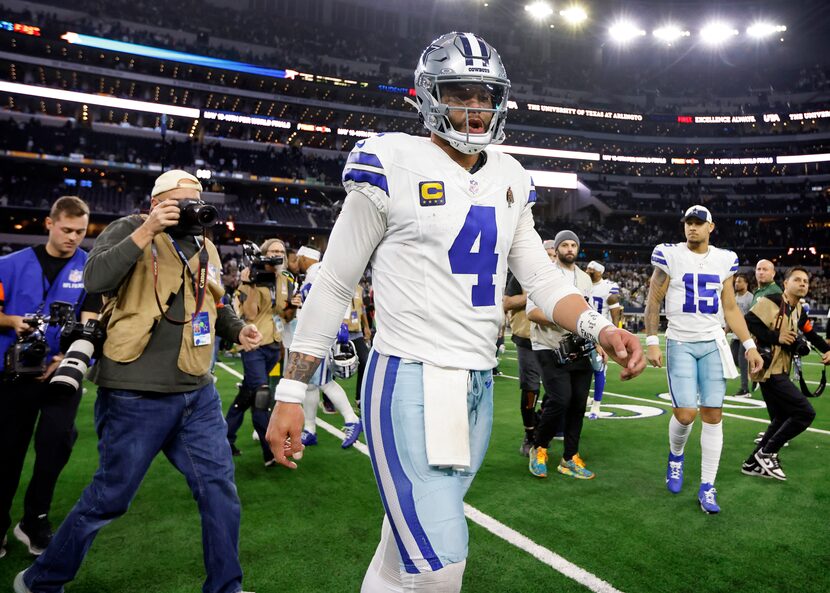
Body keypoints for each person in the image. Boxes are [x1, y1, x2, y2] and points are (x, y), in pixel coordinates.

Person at [265, 32, 645, 593]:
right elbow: (334, 283)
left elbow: (539, 276)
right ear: (426, 96)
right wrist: (291, 394)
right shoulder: (389, 160)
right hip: (410, 378)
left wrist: (600, 325)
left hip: (476, 381)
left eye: (484, 95)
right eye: (459, 93)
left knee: (401, 558)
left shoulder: (511, 175)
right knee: (441, 565)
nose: (474, 108)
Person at [13, 170, 262, 593]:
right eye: (180, 202)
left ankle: (225, 587)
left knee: (220, 492)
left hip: (196, 390)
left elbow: (213, 303)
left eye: (195, 201)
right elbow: (95, 281)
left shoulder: (205, 245)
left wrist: (237, 329)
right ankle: (39, 581)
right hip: (134, 390)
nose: (190, 209)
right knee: (110, 498)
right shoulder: (129, 228)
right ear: (158, 202)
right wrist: (148, 229)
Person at [644, 205, 764, 514]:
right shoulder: (669, 254)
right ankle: (676, 455)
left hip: (712, 342)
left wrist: (749, 344)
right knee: (685, 414)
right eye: (689, 223)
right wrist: (652, 341)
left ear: (711, 227)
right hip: (681, 341)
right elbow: (653, 300)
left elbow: (731, 308)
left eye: (699, 223)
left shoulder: (725, 259)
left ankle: (707, 486)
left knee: (712, 415)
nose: (692, 228)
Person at [0, 196, 100, 558]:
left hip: (62, 373)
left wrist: (67, 357)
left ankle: (34, 520)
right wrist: (12, 322)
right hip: (13, 375)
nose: (73, 237)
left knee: (55, 445)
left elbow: (91, 319)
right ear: (49, 224)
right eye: (67, 229)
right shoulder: (8, 265)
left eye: (80, 231)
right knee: (8, 451)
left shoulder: (90, 270)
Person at [741, 267, 830, 480]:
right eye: (797, 280)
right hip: (769, 370)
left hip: (780, 369)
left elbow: (810, 333)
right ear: (786, 284)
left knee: (781, 417)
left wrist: (827, 350)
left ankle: (752, 463)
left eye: (806, 281)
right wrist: (776, 337)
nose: (802, 284)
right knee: (804, 413)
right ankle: (767, 453)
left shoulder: (798, 308)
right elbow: (747, 321)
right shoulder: (771, 301)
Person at [527, 231, 599, 480]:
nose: (569, 248)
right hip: (549, 346)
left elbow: (589, 314)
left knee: (579, 403)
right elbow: (532, 312)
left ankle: (570, 457)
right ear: (556, 249)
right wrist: (565, 318)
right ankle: (540, 447)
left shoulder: (584, 279)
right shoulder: (545, 274)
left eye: (573, 245)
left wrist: (598, 340)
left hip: (580, 347)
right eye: (564, 245)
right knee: (560, 399)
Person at [226, 238, 295, 464]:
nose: (277, 254)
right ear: (263, 254)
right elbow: (250, 314)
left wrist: (294, 306)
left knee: (247, 394)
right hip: (254, 345)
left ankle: (226, 438)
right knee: (261, 396)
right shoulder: (250, 275)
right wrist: (251, 285)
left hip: (274, 345)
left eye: (281, 251)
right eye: (273, 250)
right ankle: (271, 452)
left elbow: (284, 316)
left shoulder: (285, 280)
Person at [293, 247, 362, 450]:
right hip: (321, 330)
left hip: (320, 333)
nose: (297, 261)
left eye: (299, 258)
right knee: (312, 384)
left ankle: (351, 419)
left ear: (306, 258)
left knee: (323, 381)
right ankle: (310, 429)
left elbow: (321, 298)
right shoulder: (320, 270)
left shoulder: (316, 271)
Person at [503, 271, 543, 457]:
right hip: (527, 338)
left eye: (553, 254)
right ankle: (529, 434)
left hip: (555, 341)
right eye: (548, 254)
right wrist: (532, 295)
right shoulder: (520, 276)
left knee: (560, 391)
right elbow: (506, 303)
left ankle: (540, 421)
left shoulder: (560, 274)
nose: (551, 258)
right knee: (530, 389)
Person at [585, 260, 621, 418]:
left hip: (600, 333)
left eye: (592, 269)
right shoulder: (582, 283)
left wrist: (614, 336)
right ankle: (585, 398)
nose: (588, 271)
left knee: (599, 369)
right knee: (581, 369)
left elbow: (615, 314)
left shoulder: (608, 287)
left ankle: (596, 406)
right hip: (580, 331)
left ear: (600, 271)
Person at [728, 273, 753, 397]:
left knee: (742, 362)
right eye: (736, 281)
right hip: (735, 335)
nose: (736, 284)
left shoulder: (750, 298)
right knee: (732, 359)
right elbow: (730, 316)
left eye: (739, 281)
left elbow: (753, 318)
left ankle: (745, 389)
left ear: (746, 283)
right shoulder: (733, 297)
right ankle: (753, 374)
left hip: (745, 335)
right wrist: (725, 331)